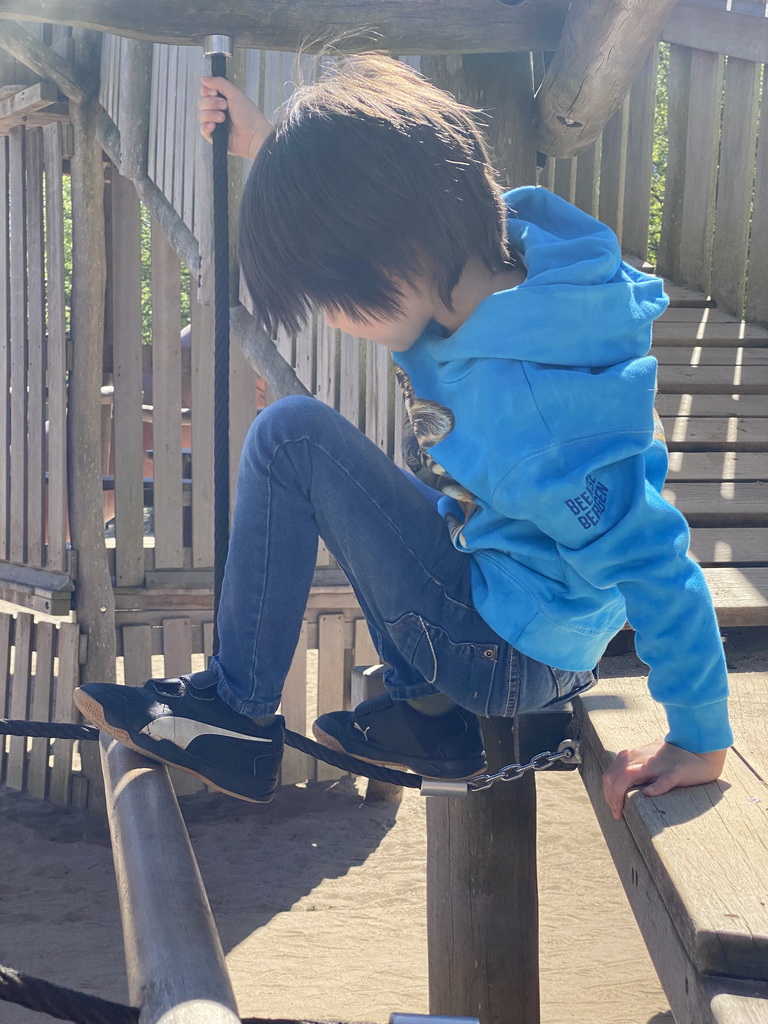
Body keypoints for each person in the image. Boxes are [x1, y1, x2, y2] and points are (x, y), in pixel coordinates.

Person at [74, 55, 731, 819]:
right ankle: (426, 719)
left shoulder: (534, 412)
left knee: (294, 439)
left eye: (335, 297)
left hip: (508, 653)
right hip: (513, 607)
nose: (331, 318)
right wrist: (273, 147)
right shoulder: (502, 255)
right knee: (395, 482)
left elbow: (655, 557)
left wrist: (699, 735)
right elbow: (402, 169)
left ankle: (236, 713)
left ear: (397, 253)